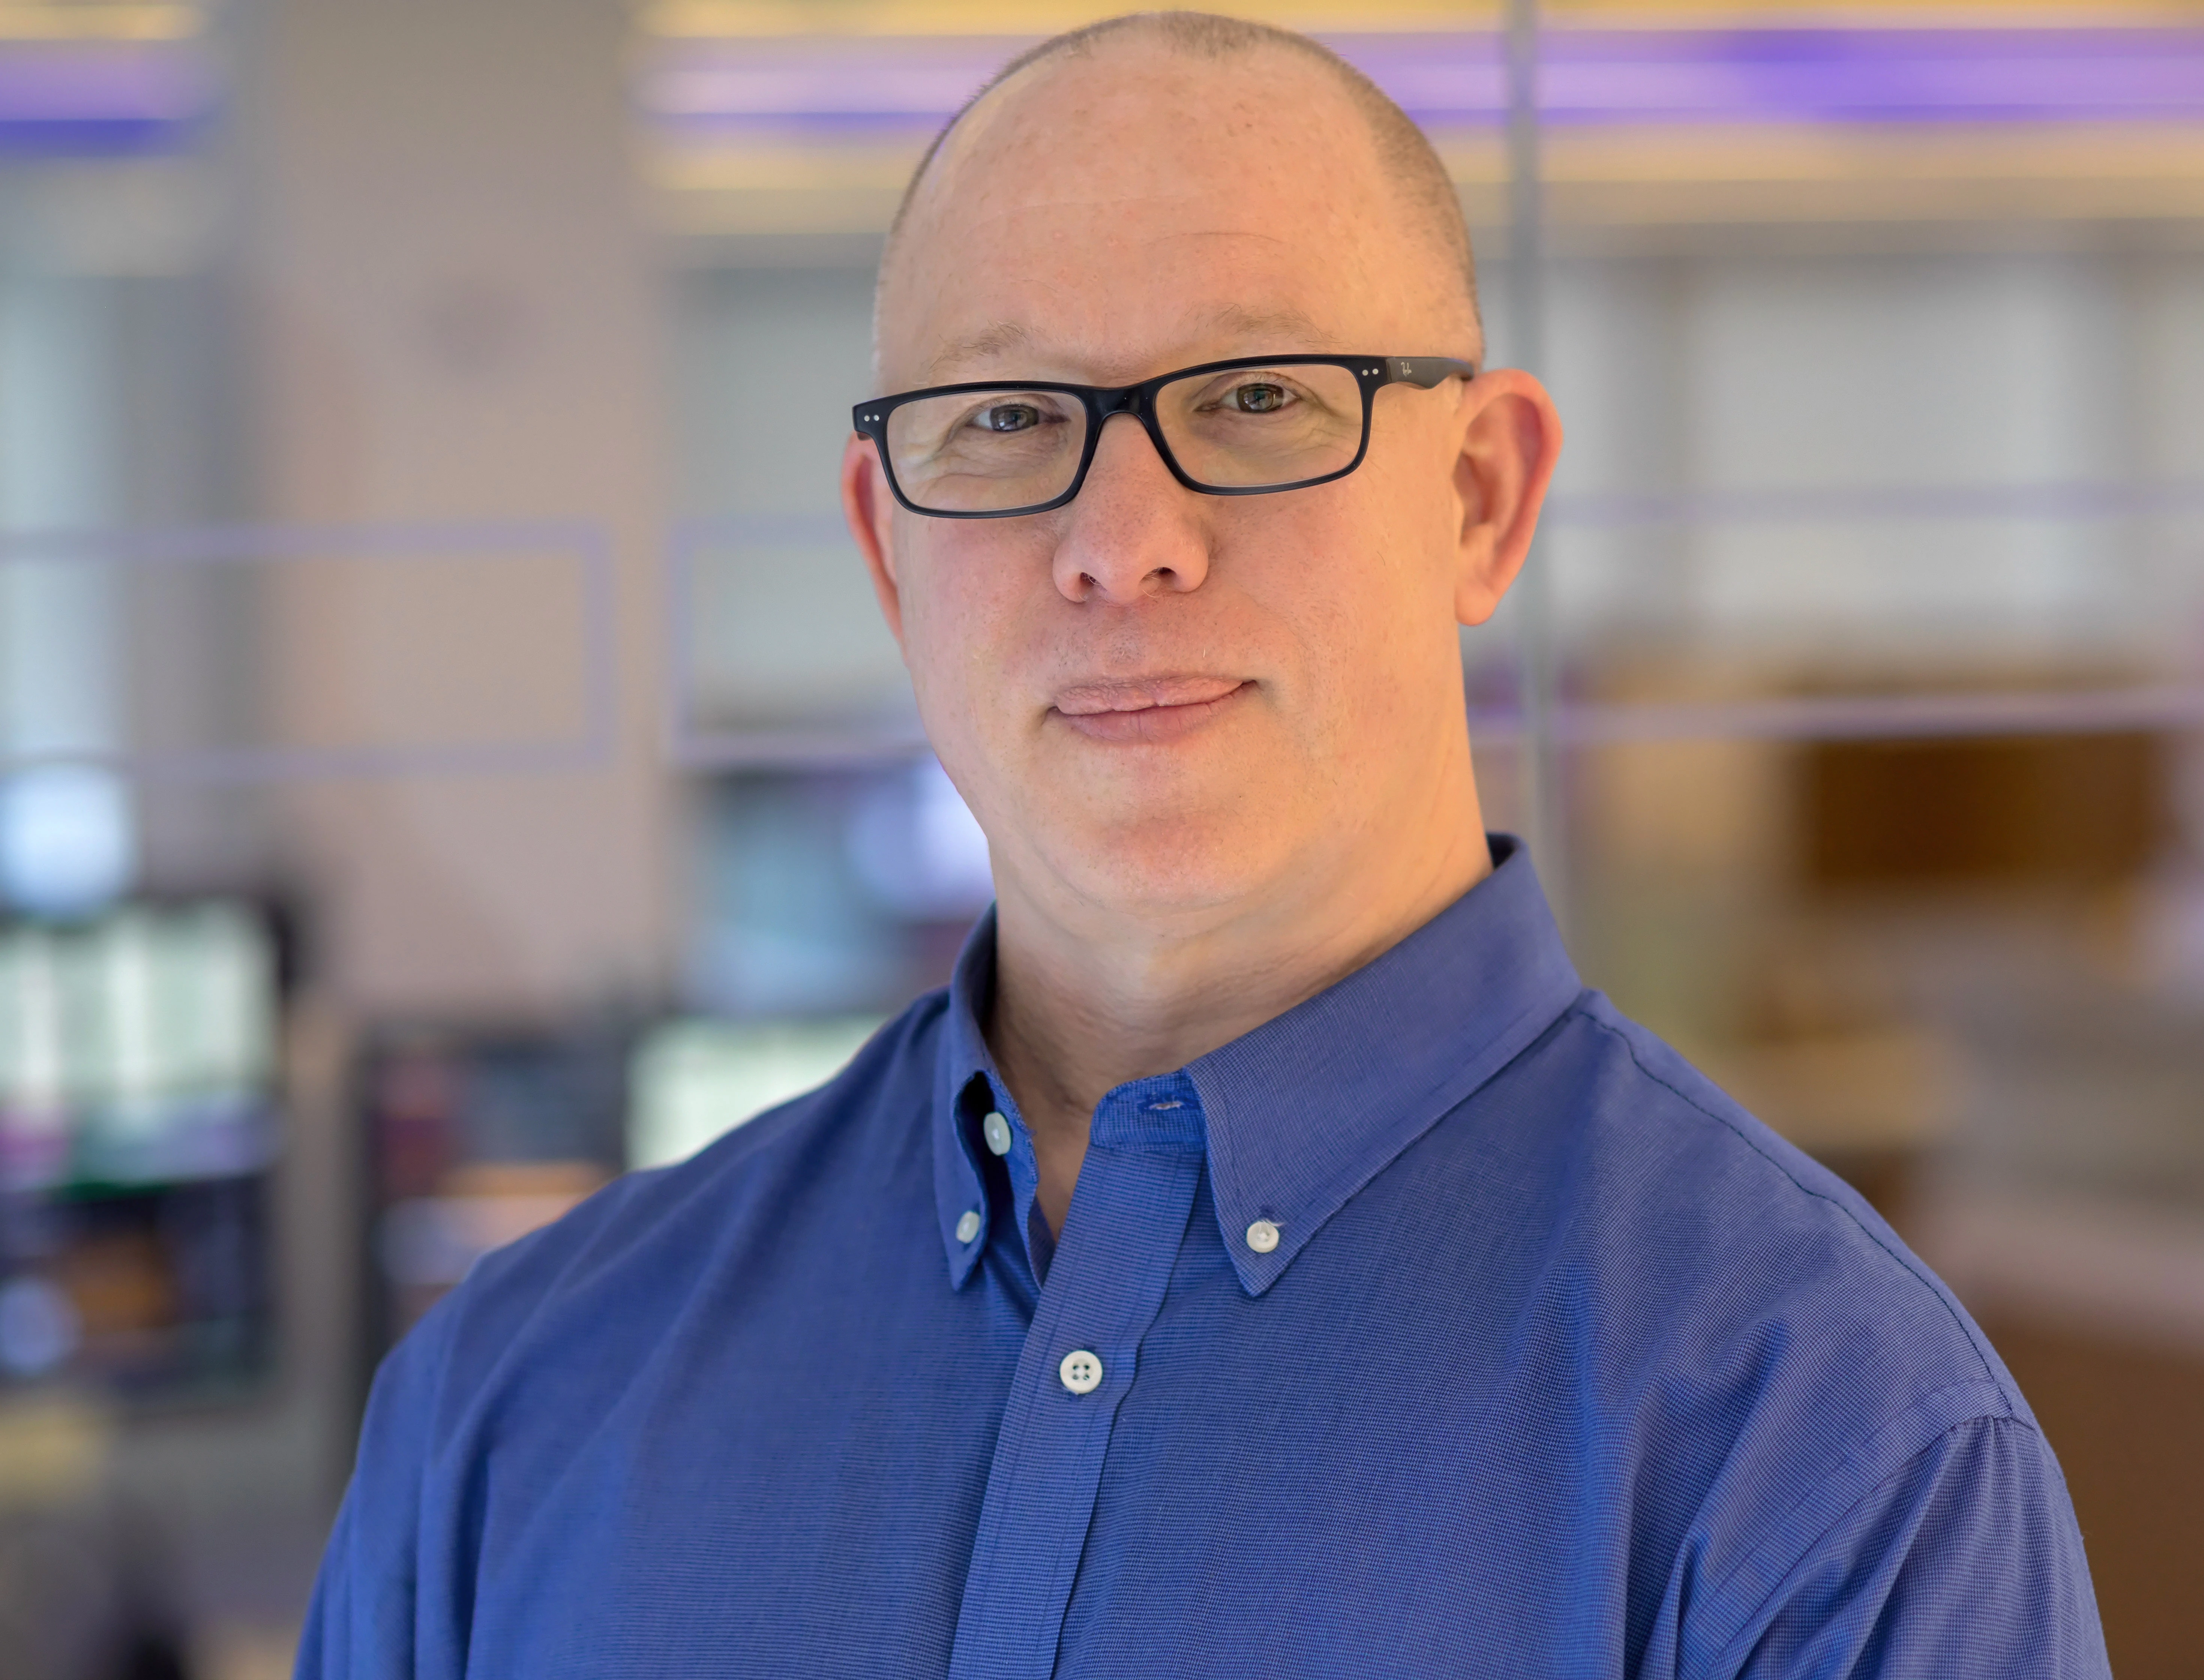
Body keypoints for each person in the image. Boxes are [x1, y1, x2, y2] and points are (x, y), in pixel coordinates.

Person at [299, 13, 2108, 1677]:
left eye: (1255, 397)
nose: (1122, 541)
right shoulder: (511, 1408)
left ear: (1479, 500)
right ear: (885, 555)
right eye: (1005, 419)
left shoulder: (1827, 1450)